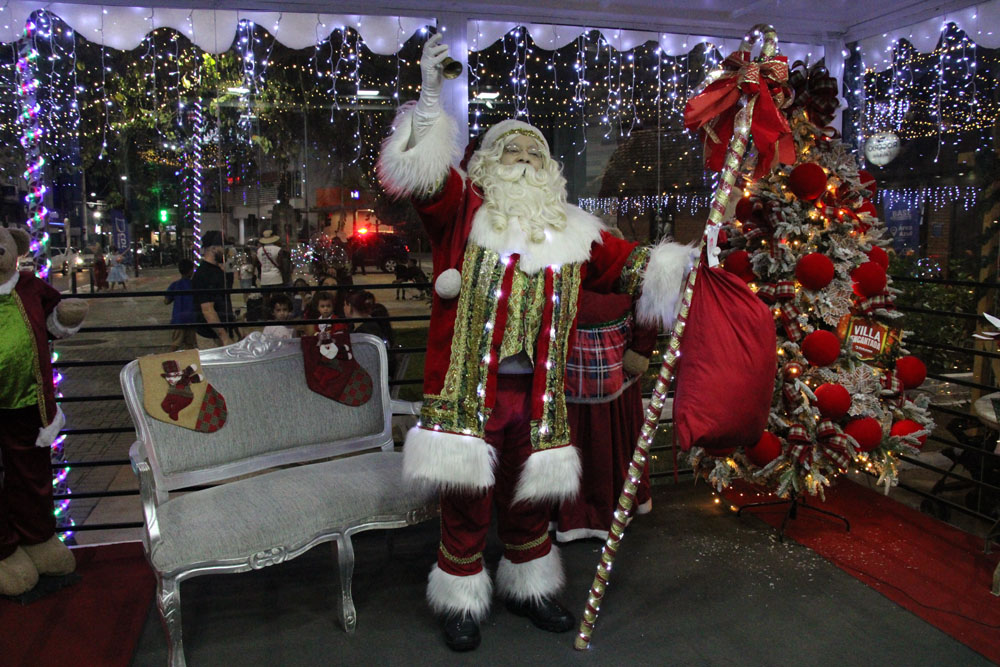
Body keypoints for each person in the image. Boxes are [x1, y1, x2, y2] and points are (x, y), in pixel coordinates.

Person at [376, 33, 693, 652]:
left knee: (529, 497)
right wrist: (429, 98)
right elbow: (424, 178)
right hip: (470, 391)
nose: (523, 158)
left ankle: (530, 587)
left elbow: (631, 267)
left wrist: (690, 262)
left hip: (540, 394)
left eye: (534, 152)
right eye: (510, 150)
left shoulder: (573, 230)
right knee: (467, 499)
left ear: (550, 170)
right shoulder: (463, 214)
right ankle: (461, 596)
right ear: (488, 161)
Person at [555, 289, 658, 542]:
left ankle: (596, 509)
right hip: (567, 330)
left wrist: (642, 347)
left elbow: (649, 295)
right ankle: (567, 509)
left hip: (609, 336)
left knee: (604, 435)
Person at [192, 231, 238, 348]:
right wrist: (224, 337)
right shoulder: (204, 274)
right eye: (222, 247)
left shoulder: (218, 271)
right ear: (213, 249)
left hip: (221, 332)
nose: (226, 250)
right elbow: (208, 309)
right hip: (211, 335)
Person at [165, 259, 197, 351]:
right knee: (190, 344)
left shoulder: (175, 285)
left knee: (175, 343)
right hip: (191, 318)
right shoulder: (194, 284)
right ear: (191, 270)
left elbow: (166, 301)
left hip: (178, 319)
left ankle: (168, 357)